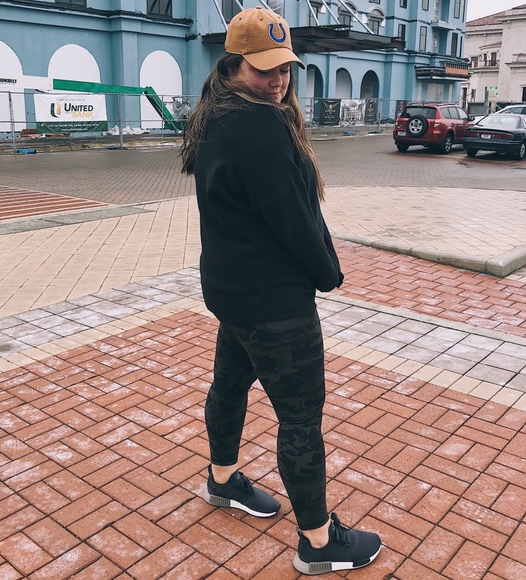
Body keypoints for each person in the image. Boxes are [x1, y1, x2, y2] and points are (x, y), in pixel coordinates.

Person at [181, 7, 382, 575]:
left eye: (284, 69)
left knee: (229, 386)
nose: (276, 81)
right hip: (273, 303)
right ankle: (318, 542)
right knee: (299, 418)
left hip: (232, 292)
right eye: (262, 69)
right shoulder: (261, 127)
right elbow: (292, 217)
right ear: (233, 65)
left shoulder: (214, 116)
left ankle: (222, 480)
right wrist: (327, 272)